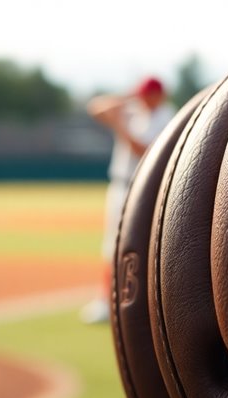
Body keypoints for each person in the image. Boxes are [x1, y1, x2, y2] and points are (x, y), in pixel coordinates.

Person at [80, 76, 175, 324]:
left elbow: (142, 149)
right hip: (121, 185)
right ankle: (106, 299)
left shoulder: (166, 116)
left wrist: (119, 126)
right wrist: (128, 98)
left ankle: (143, 300)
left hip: (146, 186)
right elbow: (95, 107)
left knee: (145, 244)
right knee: (112, 244)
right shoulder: (134, 109)